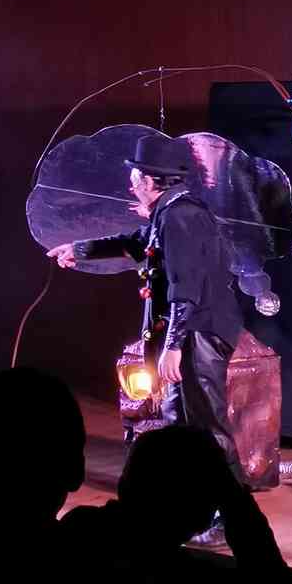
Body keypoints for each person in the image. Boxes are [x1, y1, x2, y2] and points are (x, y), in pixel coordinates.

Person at [47, 132, 244, 540]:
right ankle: (190, 509)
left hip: (199, 334)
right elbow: (136, 245)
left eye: (136, 176)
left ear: (154, 180)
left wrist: (174, 346)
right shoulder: (166, 214)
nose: (131, 183)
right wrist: (79, 250)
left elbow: (186, 288)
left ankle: (230, 518)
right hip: (190, 333)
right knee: (177, 424)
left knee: (206, 426)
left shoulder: (181, 217)